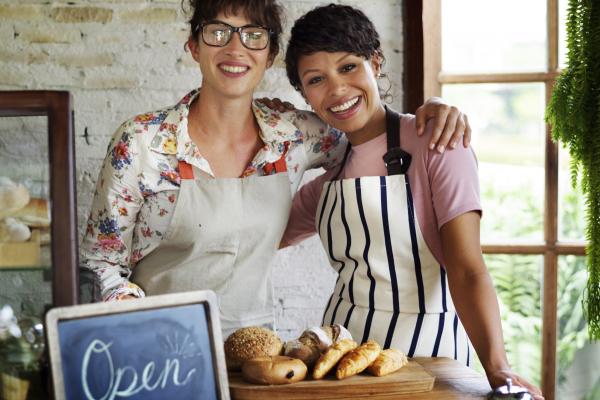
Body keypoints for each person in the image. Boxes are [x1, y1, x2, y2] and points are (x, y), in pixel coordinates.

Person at [79, 0, 470, 338]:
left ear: (269, 55)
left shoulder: (297, 136)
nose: (235, 48)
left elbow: (368, 135)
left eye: (253, 35)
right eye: (218, 32)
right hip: (153, 347)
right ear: (194, 47)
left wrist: (431, 109)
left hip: (256, 355)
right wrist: (140, 323)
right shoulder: (142, 143)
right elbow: (99, 263)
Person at [281, 3, 543, 397]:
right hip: (341, 368)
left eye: (349, 67)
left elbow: (468, 269)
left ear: (376, 63)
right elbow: (259, 235)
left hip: (427, 362)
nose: (336, 89)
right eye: (316, 79)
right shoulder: (328, 169)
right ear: (304, 94)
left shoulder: (436, 144)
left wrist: (497, 366)